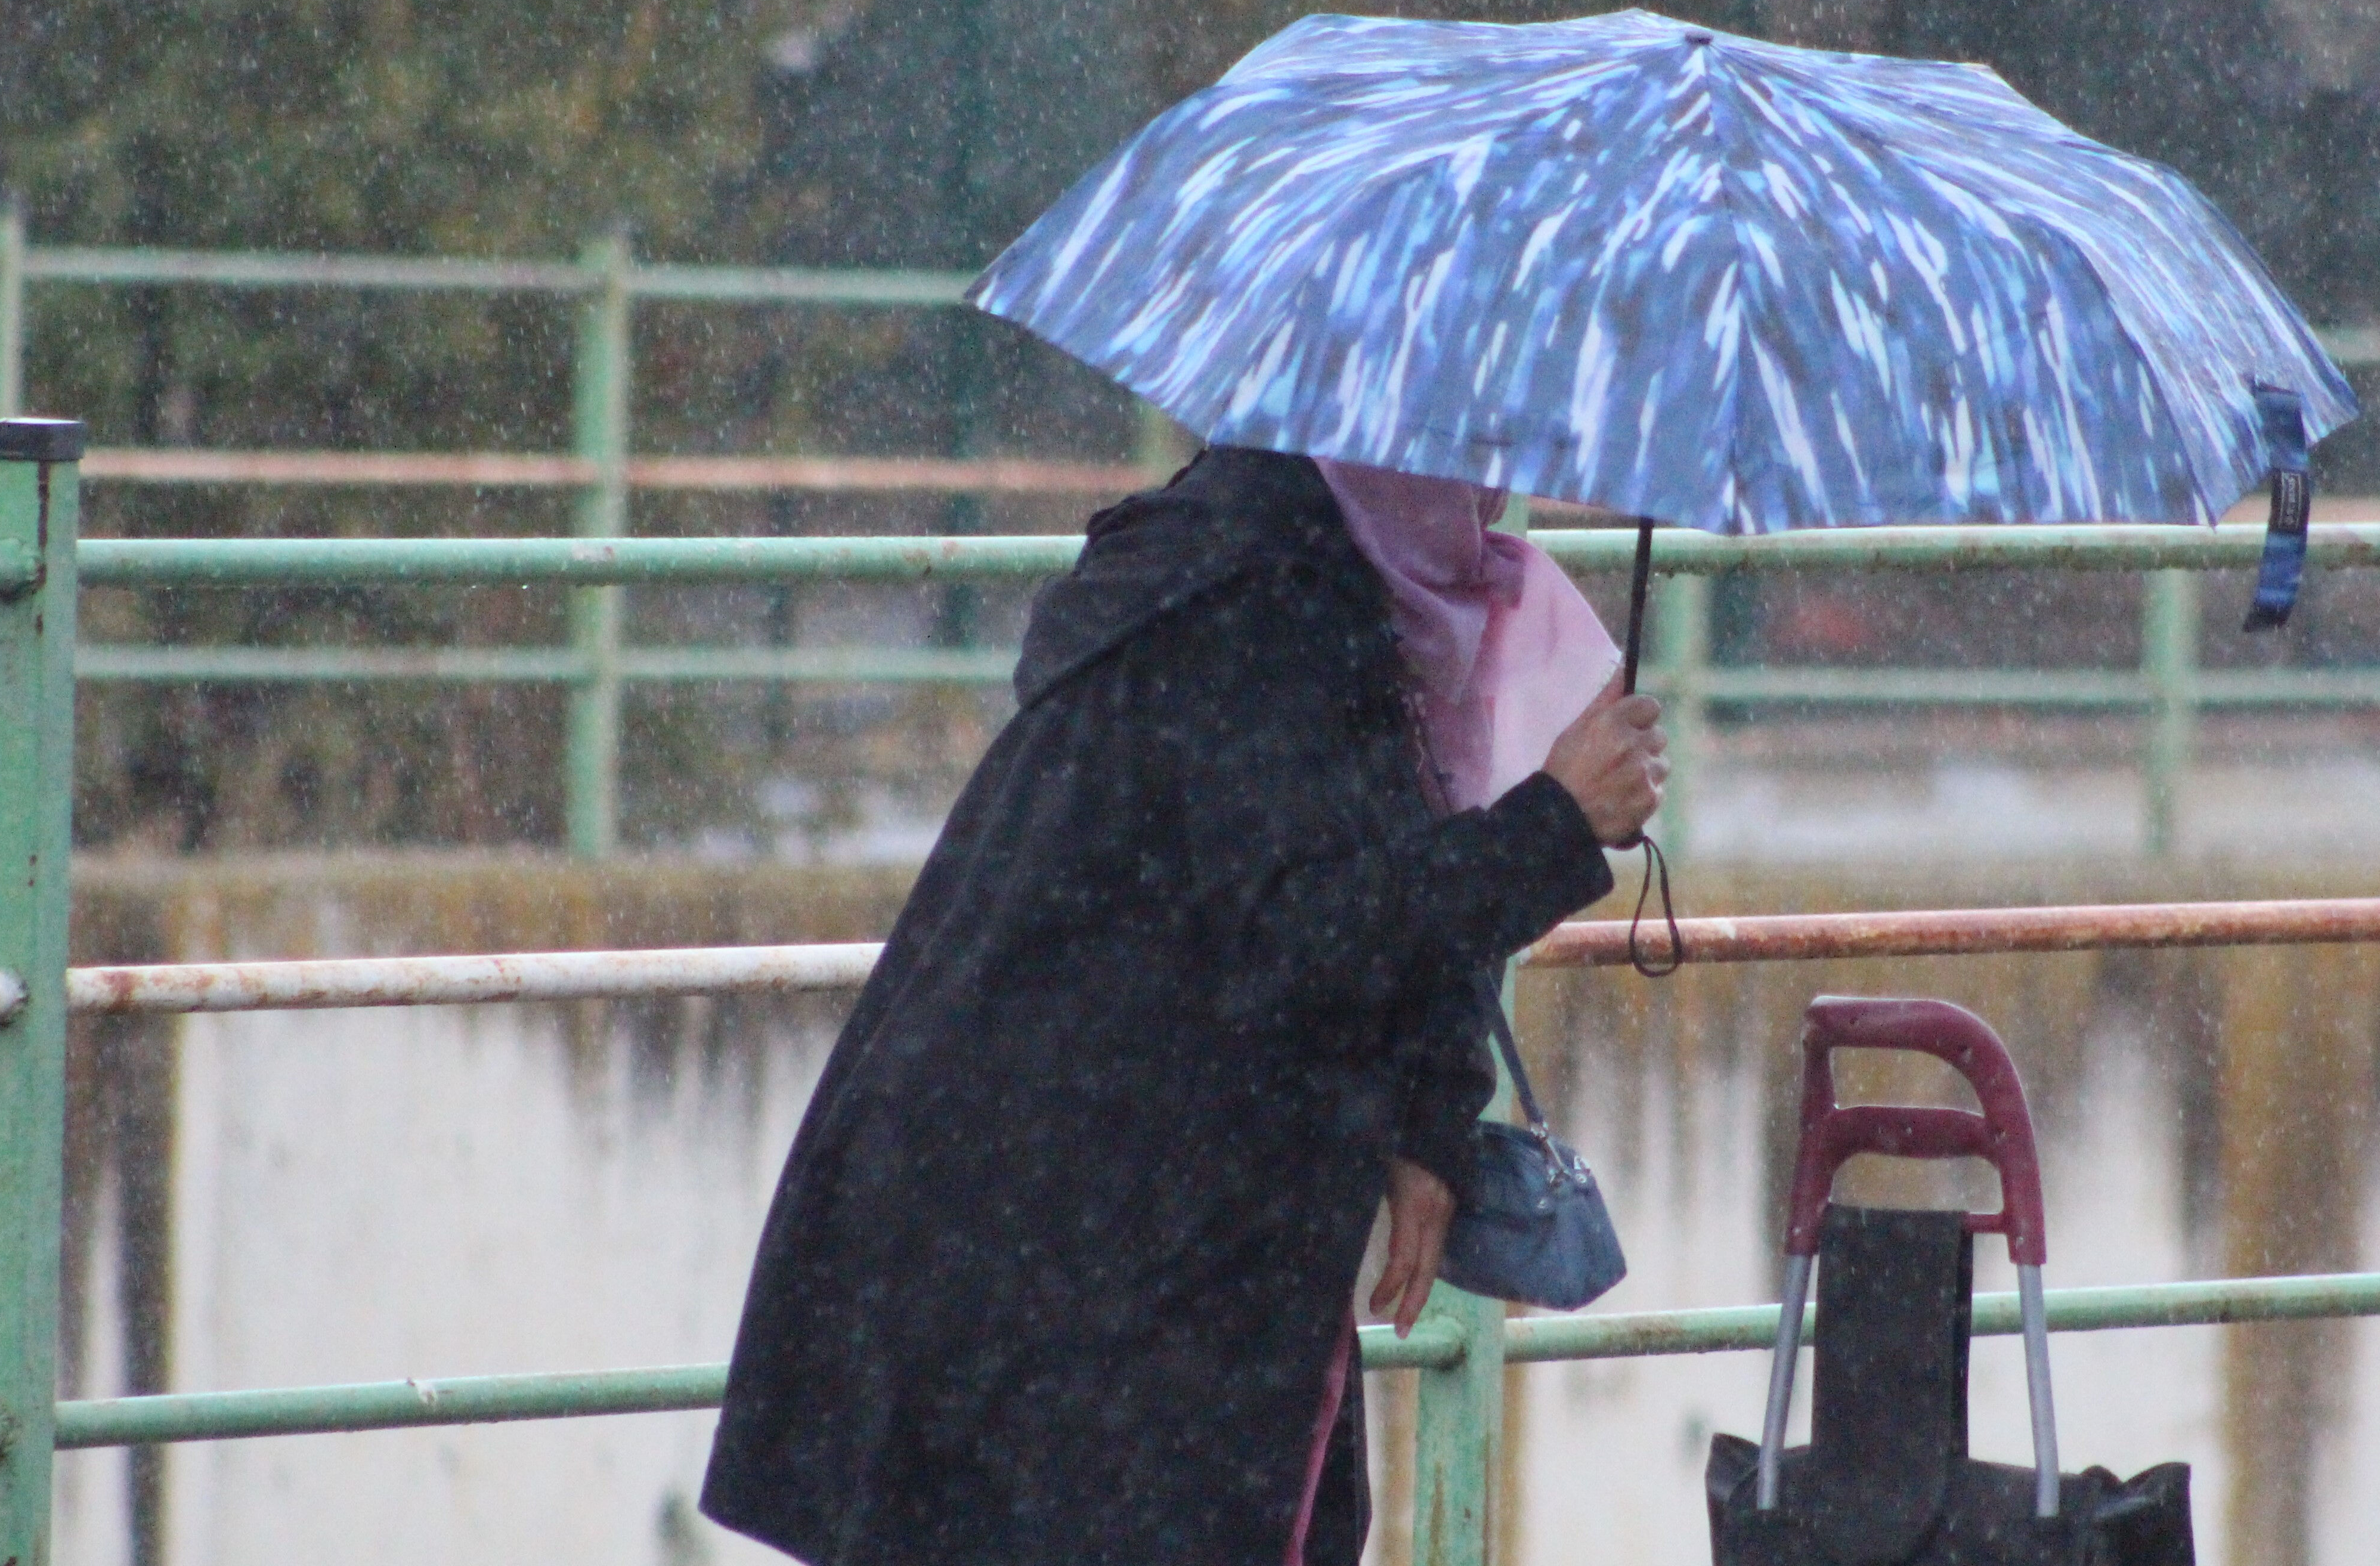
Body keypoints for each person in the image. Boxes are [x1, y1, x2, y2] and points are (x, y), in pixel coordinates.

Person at [701, 444, 1667, 1566]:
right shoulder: (1255, 612)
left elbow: (1365, 866)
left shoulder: (1305, 581)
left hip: (1113, 1227)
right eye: (1459, 458)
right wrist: (1553, 820)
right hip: (1078, 1248)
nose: (1486, 498)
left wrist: (1426, 1118)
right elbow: (1298, 931)